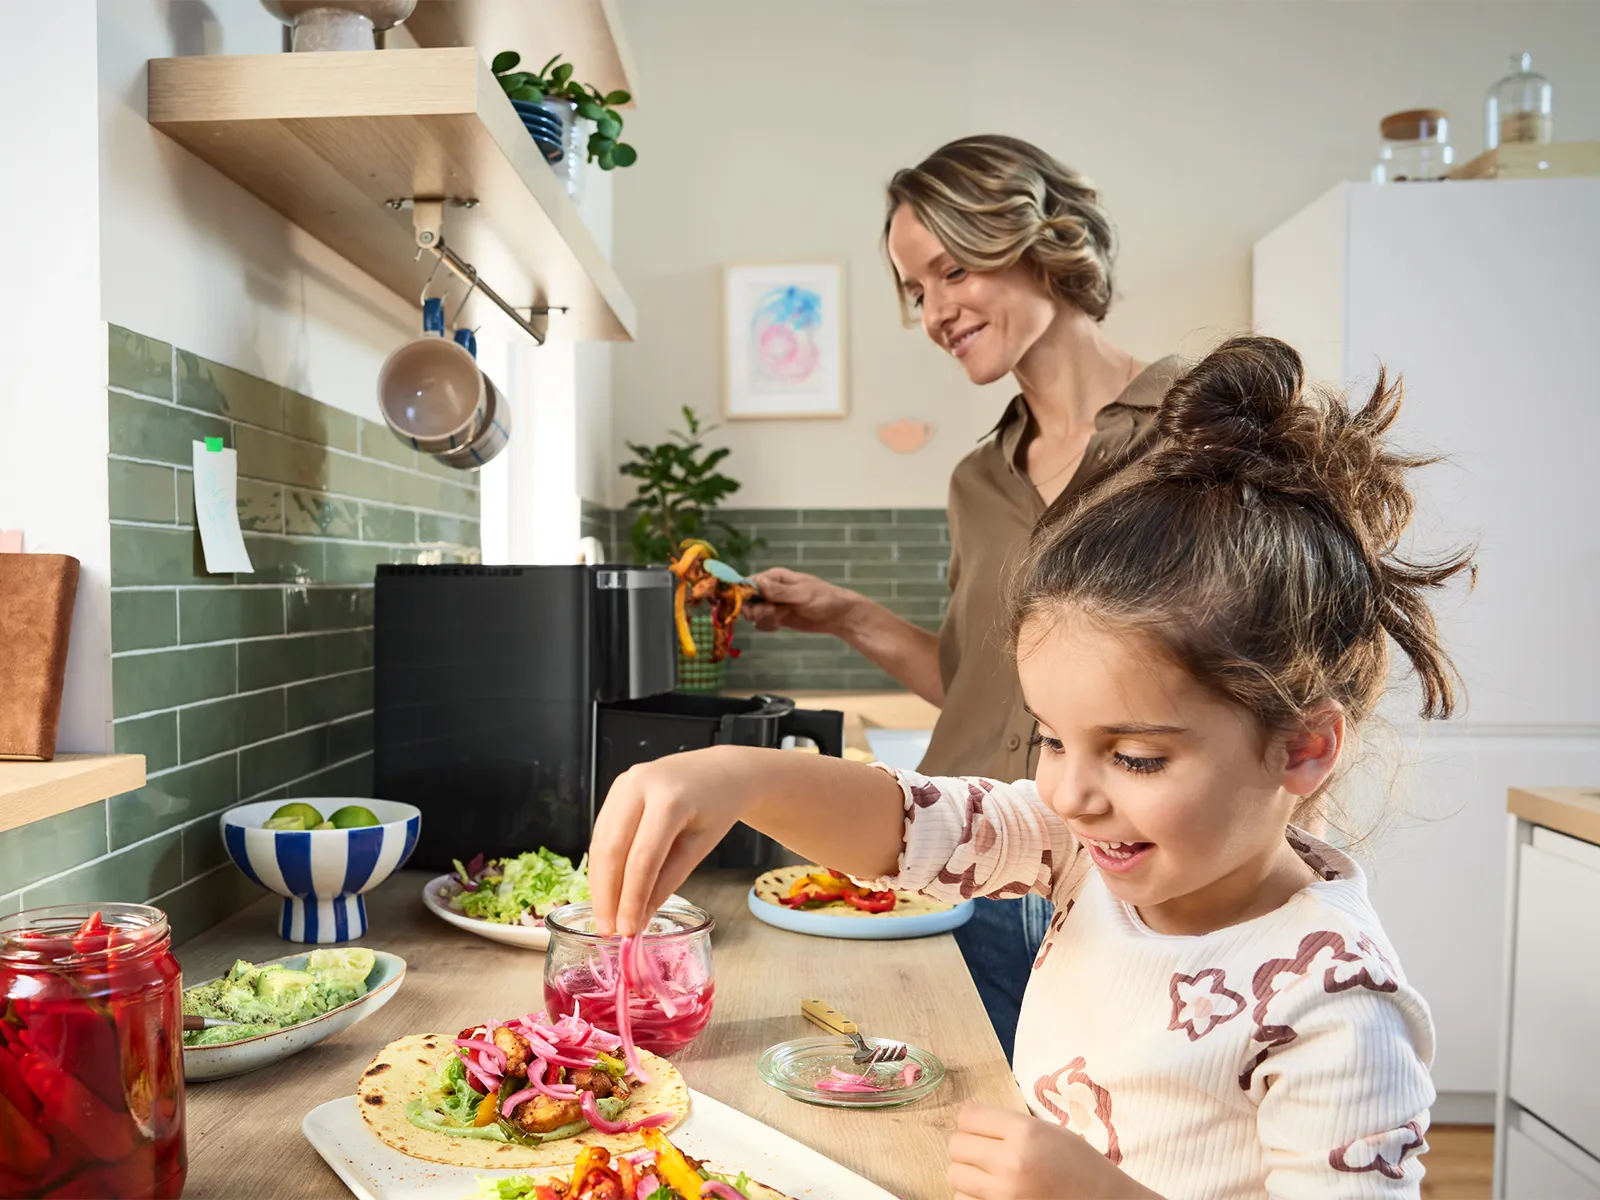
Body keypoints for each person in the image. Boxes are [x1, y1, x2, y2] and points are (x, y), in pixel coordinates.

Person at [589, 336, 1473, 1198]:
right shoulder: (1088, 855)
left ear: (1304, 748)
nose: (1070, 795)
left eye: (1133, 756)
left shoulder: (1336, 1008)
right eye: (1051, 738)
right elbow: (913, 823)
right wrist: (735, 778)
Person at [744, 135, 1184, 1060]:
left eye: (953, 270)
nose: (936, 312)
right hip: (976, 883)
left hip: (1130, 885)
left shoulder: (1194, 434)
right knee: (970, 1131)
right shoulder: (978, 479)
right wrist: (847, 614)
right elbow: (976, 692)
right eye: (917, 290)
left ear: (1039, 240)